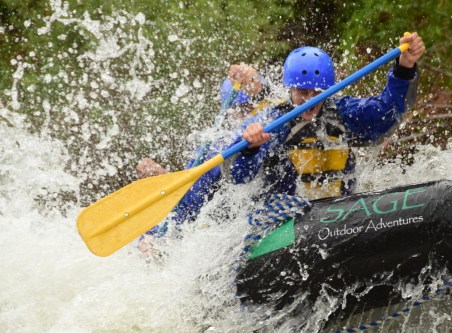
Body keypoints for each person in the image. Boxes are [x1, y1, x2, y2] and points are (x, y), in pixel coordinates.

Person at [172, 32, 425, 223]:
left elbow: (385, 117)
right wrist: (249, 149)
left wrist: (404, 69)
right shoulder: (274, 121)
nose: (310, 100)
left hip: (338, 217)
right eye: (303, 92)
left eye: (317, 93)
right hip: (285, 222)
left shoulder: (342, 113)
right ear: (290, 89)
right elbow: (240, 177)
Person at [136, 63, 265, 179]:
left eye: (245, 108)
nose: (240, 115)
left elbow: (241, 174)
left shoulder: (263, 129)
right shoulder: (219, 139)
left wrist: (250, 151)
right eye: (235, 110)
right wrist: (166, 178)